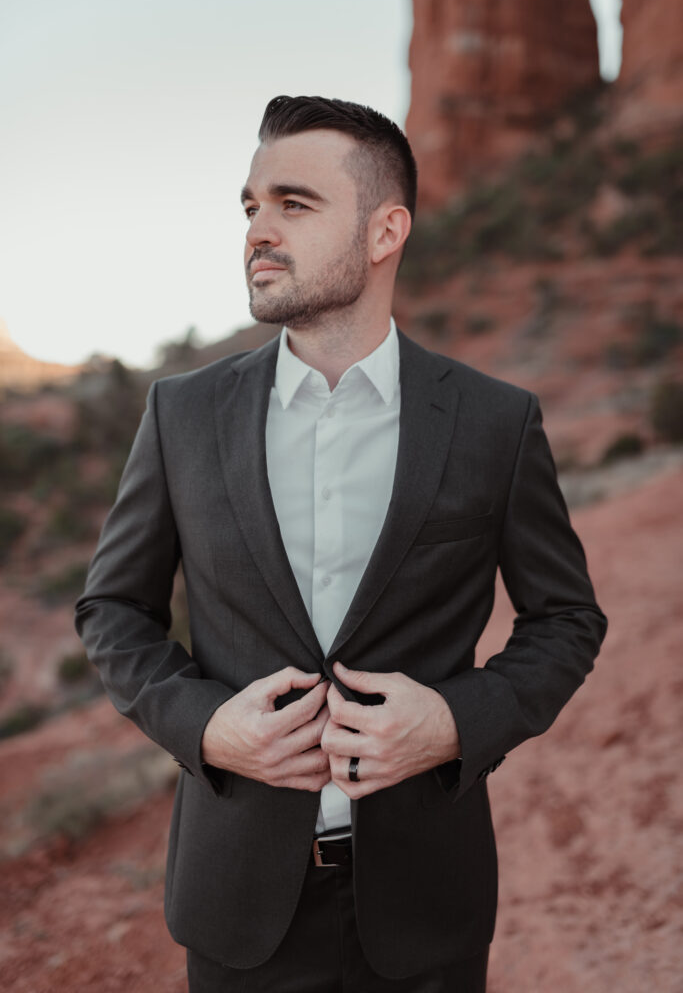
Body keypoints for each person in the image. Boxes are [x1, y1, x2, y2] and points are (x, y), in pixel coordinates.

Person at [75, 95, 607, 992]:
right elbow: (111, 611)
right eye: (250, 206)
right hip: (237, 907)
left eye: (295, 203)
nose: (258, 230)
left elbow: (566, 620)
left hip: (428, 908)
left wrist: (451, 723)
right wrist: (205, 726)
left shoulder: (492, 421)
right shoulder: (182, 414)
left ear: (384, 230)